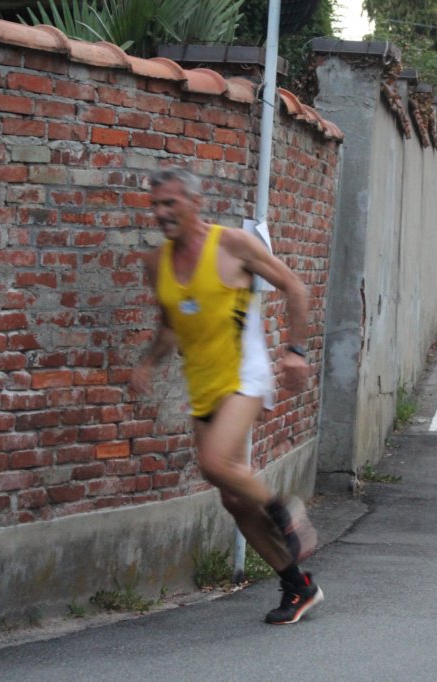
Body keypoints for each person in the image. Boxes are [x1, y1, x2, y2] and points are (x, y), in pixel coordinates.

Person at [129, 167, 323, 625]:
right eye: (155, 205)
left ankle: (287, 512)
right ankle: (299, 587)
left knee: (214, 464)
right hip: (204, 387)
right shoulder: (157, 264)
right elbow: (171, 326)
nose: (161, 213)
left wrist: (295, 352)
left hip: (245, 376)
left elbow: (294, 287)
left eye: (170, 203)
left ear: (195, 203)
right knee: (234, 500)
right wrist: (147, 363)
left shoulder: (232, 244)